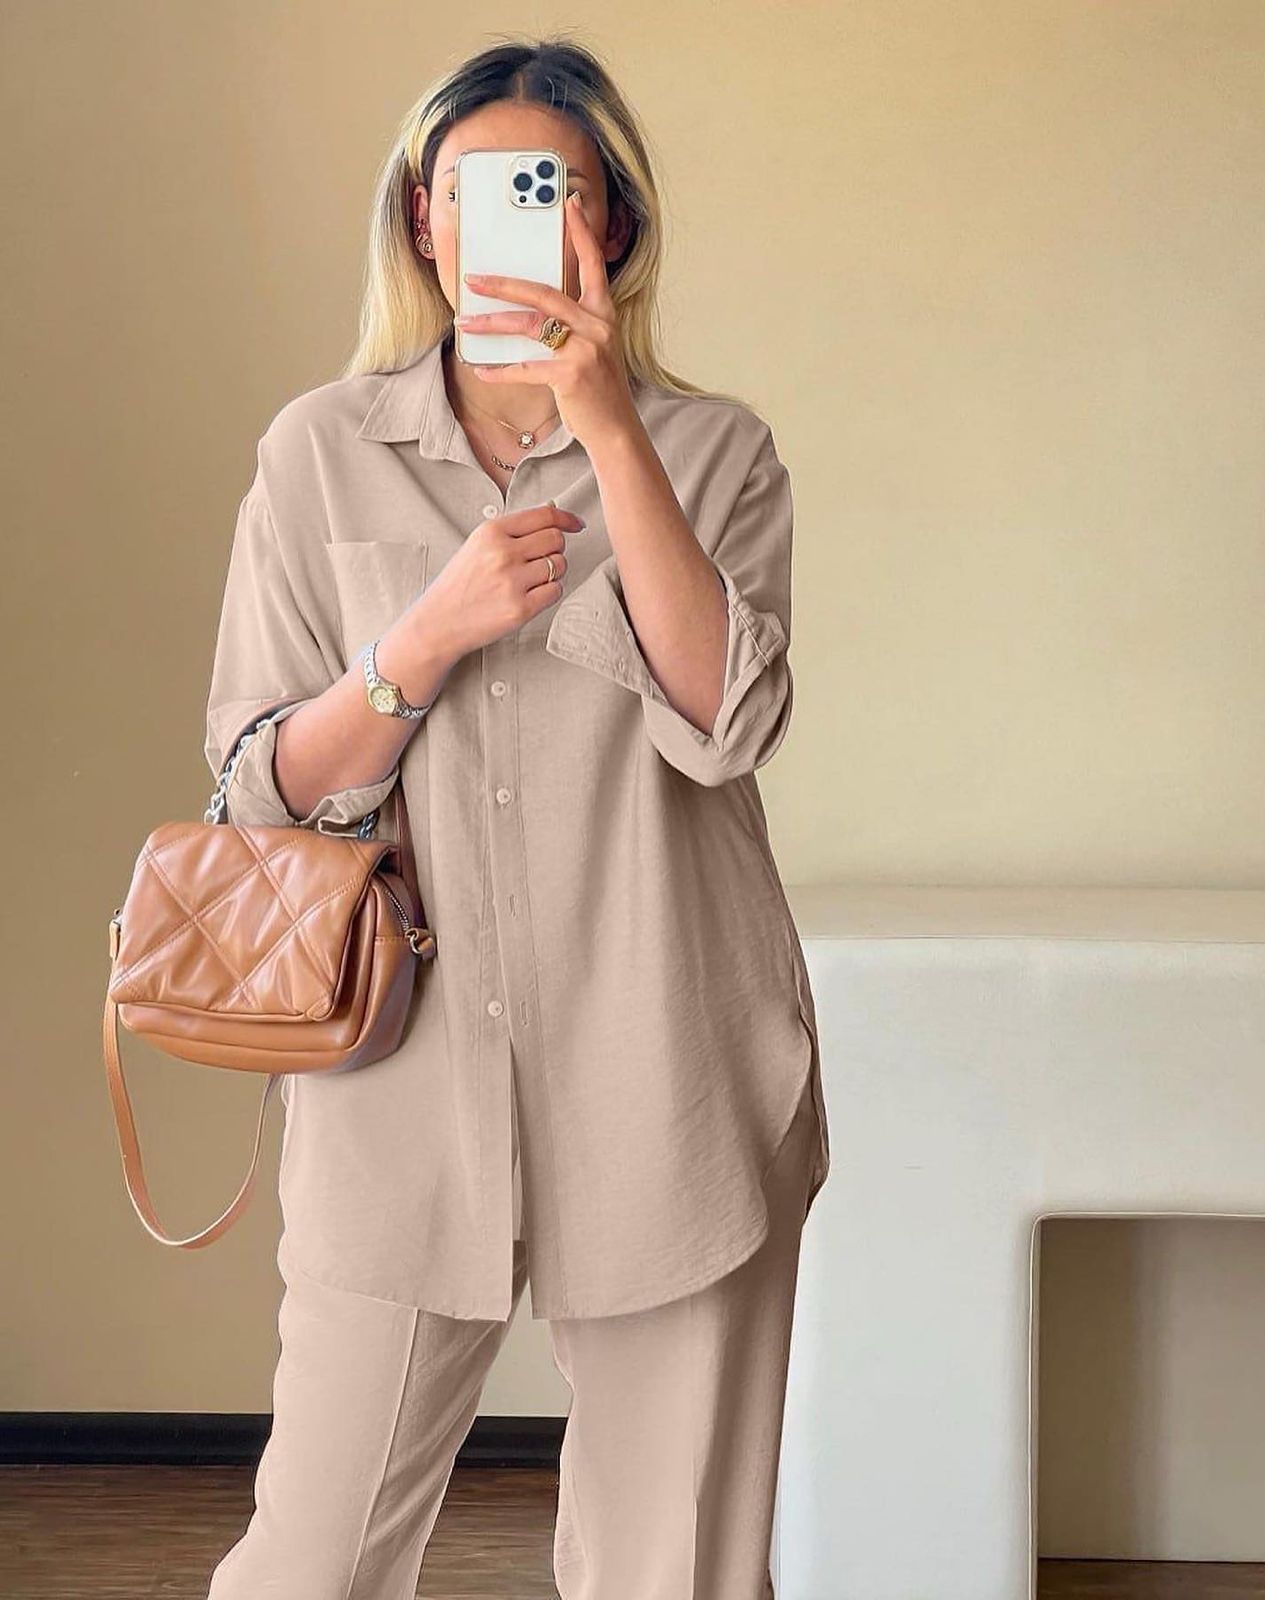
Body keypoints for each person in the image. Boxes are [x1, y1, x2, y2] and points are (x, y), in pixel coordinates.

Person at [203, 32, 830, 1600]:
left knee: (674, 1572)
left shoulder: (714, 452)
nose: (504, 219)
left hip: (671, 1074)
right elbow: (261, 788)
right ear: (421, 220)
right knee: (307, 1564)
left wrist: (609, 429)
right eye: (468, 189)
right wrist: (419, 641)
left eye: (549, 187)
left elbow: (730, 726)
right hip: (396, 1090)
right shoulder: (317, 452)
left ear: (609, 221)